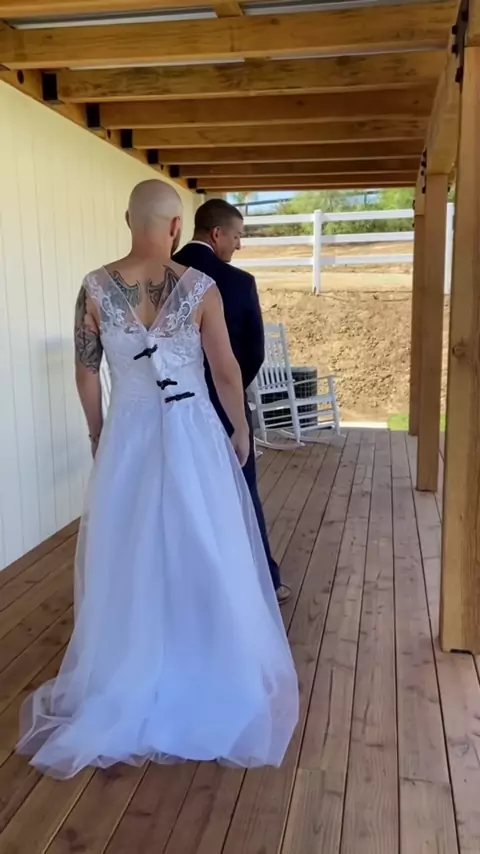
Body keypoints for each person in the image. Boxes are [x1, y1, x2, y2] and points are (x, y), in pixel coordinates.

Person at [16, 179, 298, 780]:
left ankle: (129, 667)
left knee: (130, 548)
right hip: (195, 433)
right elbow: (226, 370)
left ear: (128, 220)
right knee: (205, 542)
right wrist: (241, 431)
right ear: (175, 227)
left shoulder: (94, 287)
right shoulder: (201, 287)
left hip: (129, 436)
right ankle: (209, 659)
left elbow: (86, 374)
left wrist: (97, 433)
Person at [173, 199, 291, 604]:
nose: (239, 245)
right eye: (237, 236)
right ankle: (265, 580)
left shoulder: (159, 275)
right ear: (217, 233)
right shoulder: (238, 282)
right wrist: (232, 394)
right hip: (225, 407)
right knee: (242, 490)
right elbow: (253, 353)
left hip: (170, 407)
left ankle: (187, 582)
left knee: (180, 493)